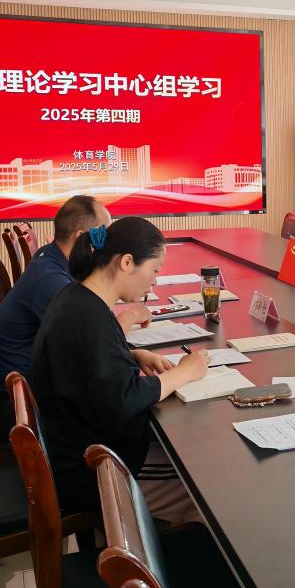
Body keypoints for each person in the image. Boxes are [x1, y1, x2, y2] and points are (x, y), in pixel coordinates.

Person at [31, 216, 211, 520]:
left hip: (78, 448)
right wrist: (185, 372)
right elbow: (124, 398)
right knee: (205, 491)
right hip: (94, 473)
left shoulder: (77, 298)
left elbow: (90, 359)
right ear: (126, 262)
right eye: (154, 270)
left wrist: (132, 353)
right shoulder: (89, 318)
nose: (155, 282)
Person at [0, 196, 151, 446]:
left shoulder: (51, 258)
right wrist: (130, 316)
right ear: (82, 236)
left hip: (25, 387)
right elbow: (93, 339)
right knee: (124, 403)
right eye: (105, 235)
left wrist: (133, 354)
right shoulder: (52, 281)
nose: (110, 243)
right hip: (20, 408)